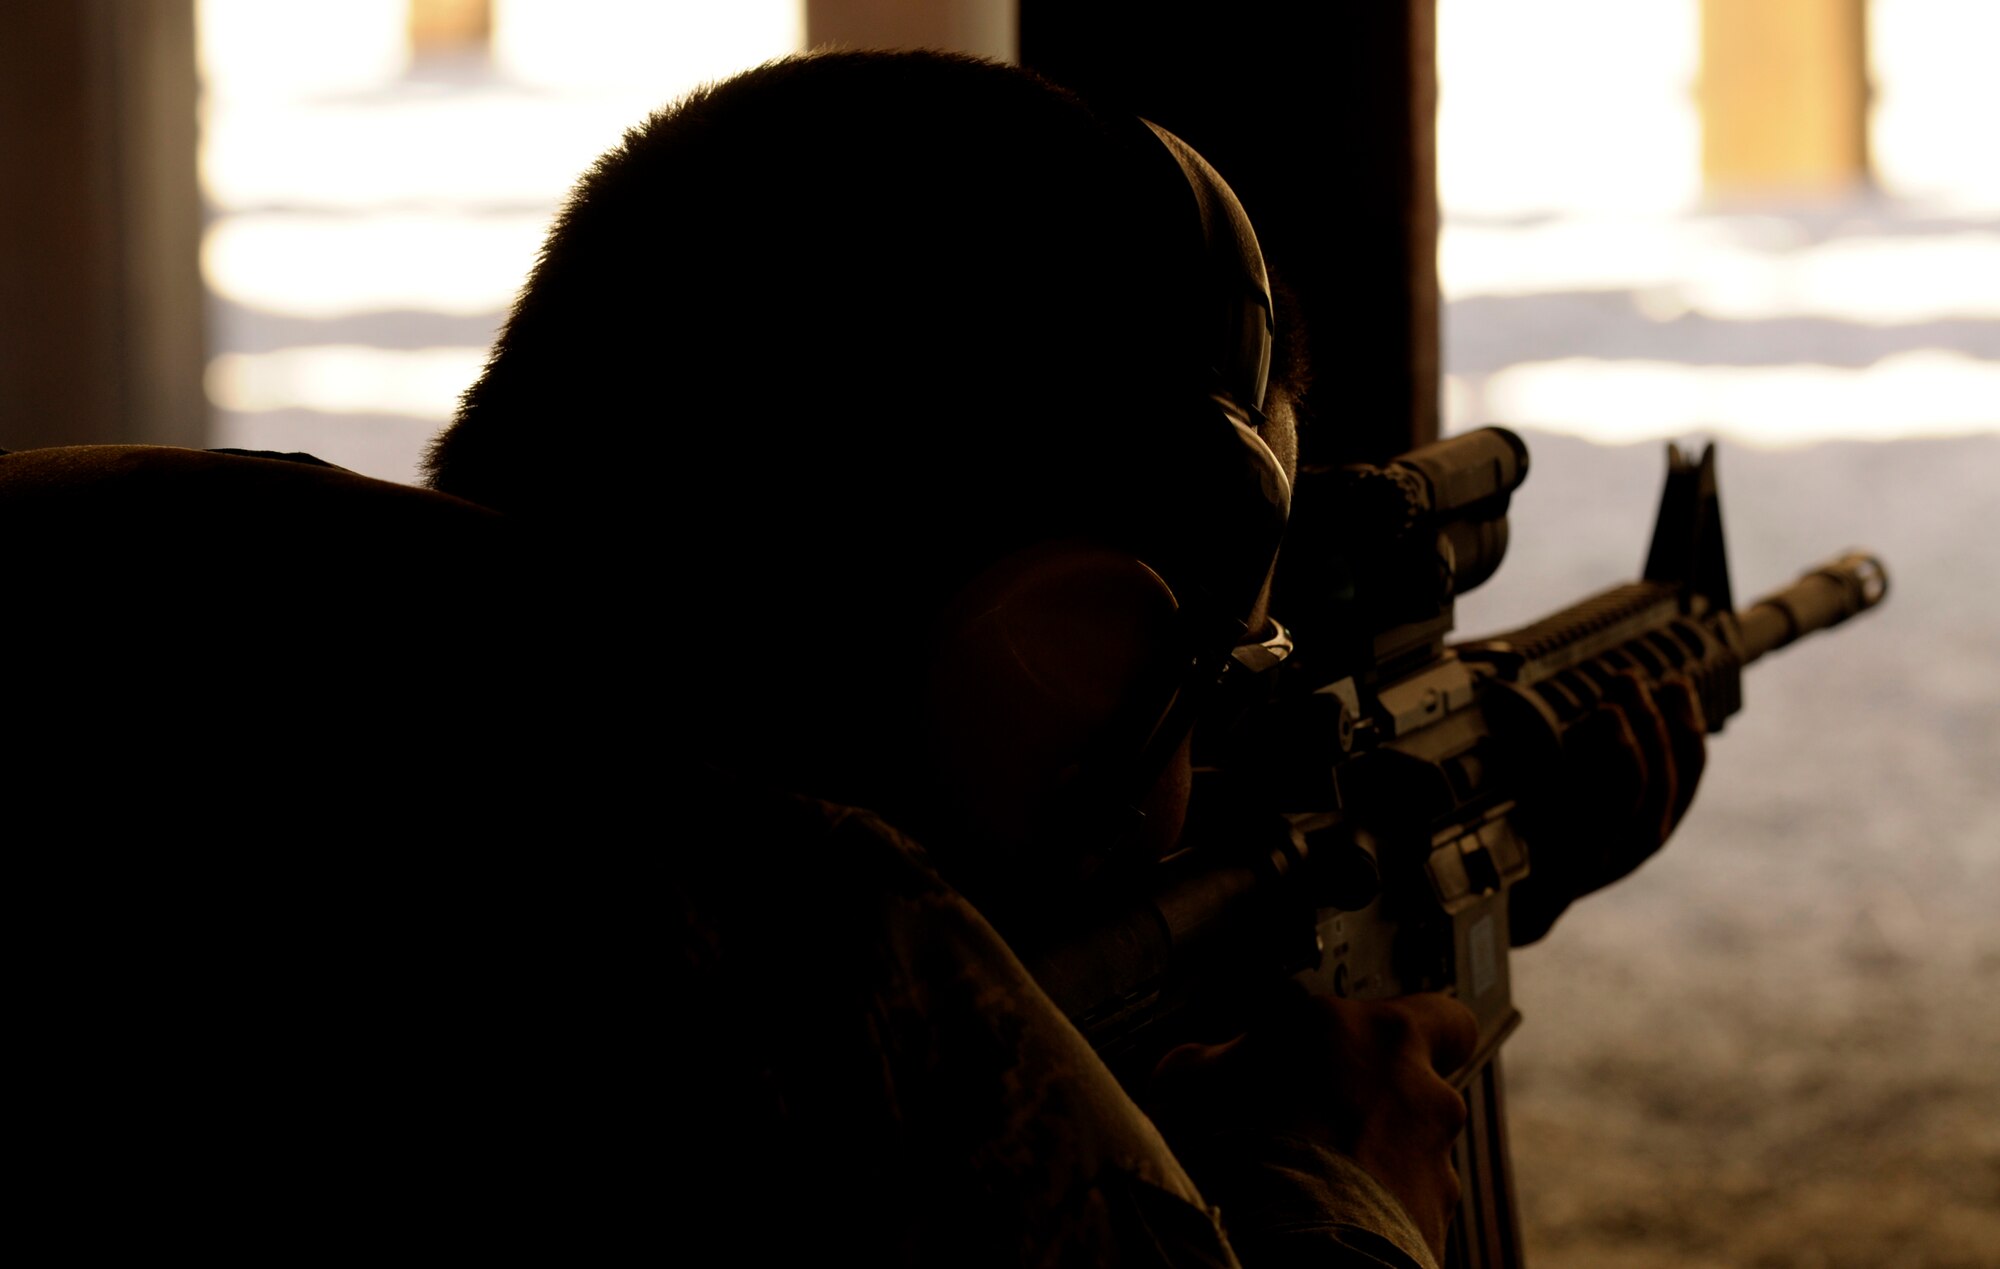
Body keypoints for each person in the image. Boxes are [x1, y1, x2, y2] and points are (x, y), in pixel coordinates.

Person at [416, 48, 1505, 1267]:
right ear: (1050, 660)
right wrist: (1340, 1205)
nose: (1180, 796)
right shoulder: (765, 1068)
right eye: (1187, 690)